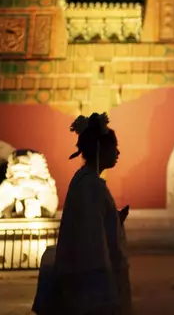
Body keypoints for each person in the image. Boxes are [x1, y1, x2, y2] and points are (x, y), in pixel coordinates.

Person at [32, 112, 132, 315]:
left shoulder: (84, 179)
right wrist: (102, 284)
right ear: (100, 149)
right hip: (90, 279)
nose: (118, 152)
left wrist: (115, 219)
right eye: (114, 147)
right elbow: (90, 237)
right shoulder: (91, 185)